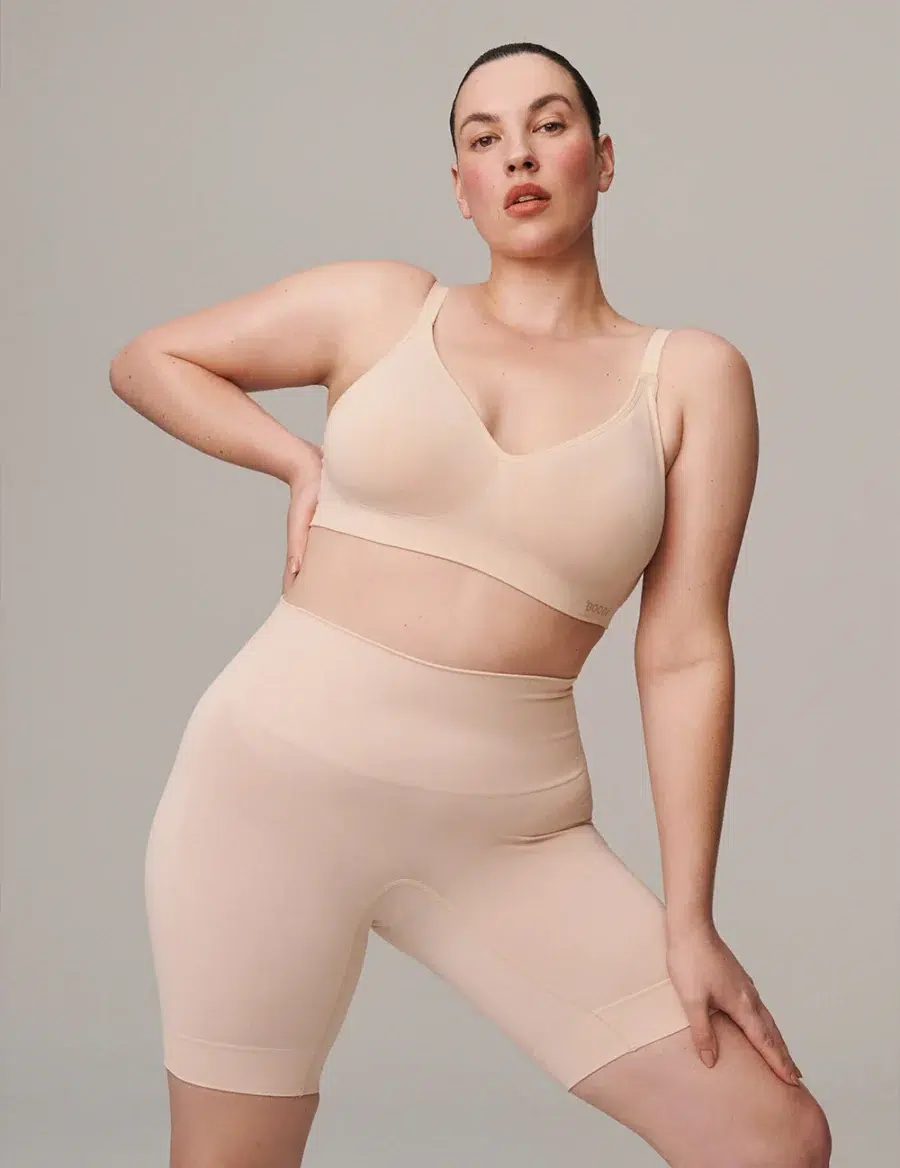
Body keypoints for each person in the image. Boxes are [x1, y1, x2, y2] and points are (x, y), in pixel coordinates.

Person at [109, 40, 831, 1168]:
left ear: (602, 157)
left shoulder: (691, 378)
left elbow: (685, 650)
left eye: (548, 125)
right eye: (483, 139)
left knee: (769, 1137)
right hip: (263, 798)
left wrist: (689, 917)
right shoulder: (377, 305)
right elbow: (152, 358)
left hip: (506, 831)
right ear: (460, 187)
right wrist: (298, 464)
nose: (518, 156)